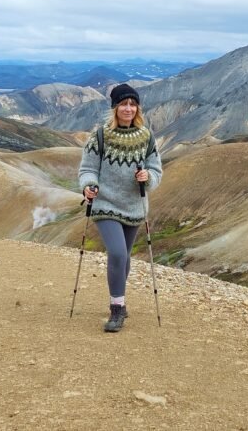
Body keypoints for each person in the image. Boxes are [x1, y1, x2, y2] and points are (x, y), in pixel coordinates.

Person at [78, 83, 162, 333]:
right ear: (115, 108)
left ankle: (119, 301)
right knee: (116, 254)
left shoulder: (147, 137)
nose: (128, 108)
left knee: (124, 257)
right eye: (123, 104)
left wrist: (148, 177)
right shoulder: (100, 136)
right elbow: (87, 169)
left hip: (134, 206)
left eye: (132, 104)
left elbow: (156, 169)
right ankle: (117, 309)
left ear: (138, 108)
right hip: (105, 204)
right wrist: (89, 185)